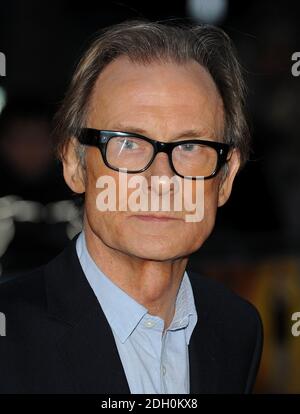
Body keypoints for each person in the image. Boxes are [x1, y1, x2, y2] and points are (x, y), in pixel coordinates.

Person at [0, 20, 263, 394]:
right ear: (74, 165)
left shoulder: (237, 329)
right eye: (128, 143)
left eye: (190, 147)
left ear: (227, 177)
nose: (159, 179)